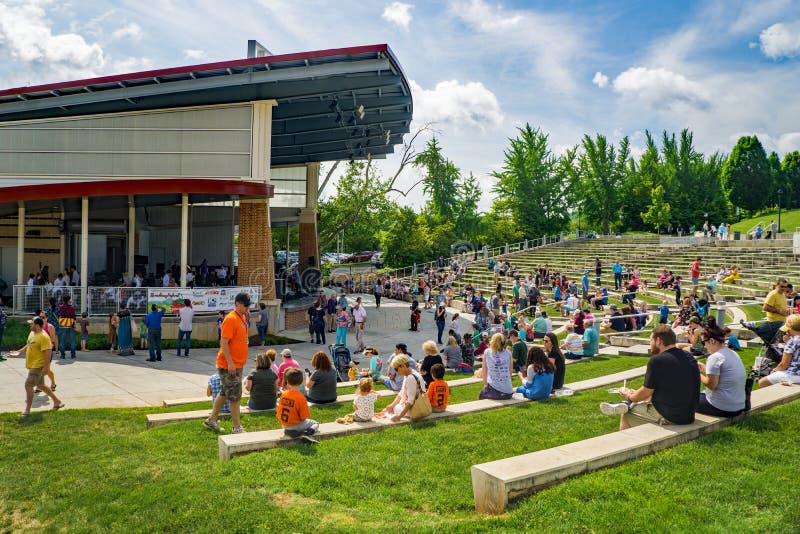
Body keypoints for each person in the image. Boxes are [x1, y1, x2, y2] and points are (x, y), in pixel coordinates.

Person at [600, 325, 700, 429]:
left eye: (651, 340)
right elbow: (674, 387)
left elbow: (645, 392)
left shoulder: (657, 361)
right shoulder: (688, 356)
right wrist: (638, 394)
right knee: (640, 401)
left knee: (627, 414)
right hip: (688, 414)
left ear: (658, 341)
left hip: (673, 416)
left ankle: (630, 444)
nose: (650, 343)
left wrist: (630, 397)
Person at [204, 292, 252, 435]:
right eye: (245, 306)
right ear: (237, 304)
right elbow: (223, 342)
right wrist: (230, 363)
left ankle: (211, 420)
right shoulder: (230, 319)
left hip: (237, 364)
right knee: (235, 396)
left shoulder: (242, 316)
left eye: (248, 306)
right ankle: (237, 427)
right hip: (229, 365)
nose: (247, 308)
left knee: (225, 392)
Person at [8, 317, 64, 416]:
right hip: (32, 364)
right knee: (40, 385)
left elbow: (48, 352)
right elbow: (28, 345)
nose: (30, 325)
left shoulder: (44, 337)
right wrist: (18, 352)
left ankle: (27, 411)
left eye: (32, 324)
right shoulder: (32, 333)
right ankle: (57, 401)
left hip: (38, 366)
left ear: (37, 326)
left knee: (28, 385)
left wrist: (46, 367)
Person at [696, 318, 746, 417]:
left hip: (723, 408)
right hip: (738, 406)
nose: (704, 346)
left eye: (703, 342)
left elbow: (711, 385)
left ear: (712, 341)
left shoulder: (714, 357)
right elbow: (723, 375)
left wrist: (697, 373)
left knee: (685, 397)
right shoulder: (732, 353)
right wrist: (706, 368)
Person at [379, 354, 428, 422]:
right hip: (419, 404)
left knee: (388, 411)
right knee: (390, 408)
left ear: (403, 366)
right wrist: (391, 405)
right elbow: (402, 392)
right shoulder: (411, 372)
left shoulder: (410, 378)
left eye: (396, 369)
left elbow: (410, 401)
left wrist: (399, 416)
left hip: (415, 408)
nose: (396, 372)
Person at [277, 368, 320, 443]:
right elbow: (304, 417)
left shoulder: (283, 394)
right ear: (301, 382)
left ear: (287, 382)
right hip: (296, 425)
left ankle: (292, 432)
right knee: (315, 423)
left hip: (284, 424)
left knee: (296, 423)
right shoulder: (301, 398)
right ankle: (307, 434)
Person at [759, 314, 800, 387]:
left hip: (795, 375)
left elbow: (784, 365)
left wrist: (774, 370)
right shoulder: (792, 341)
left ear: (790, 328)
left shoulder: (792, 342)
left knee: (762, 382)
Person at [478, 333, 513, 400]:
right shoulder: (508, 353)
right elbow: (510, 372)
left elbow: (484, 371)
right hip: (508, 391)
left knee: (481, 395)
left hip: (494, 391)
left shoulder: (487, 352)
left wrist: (485, 385)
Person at [57, 294, 77, 359]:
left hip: (63, 324)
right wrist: (75, 325)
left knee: (62, 340)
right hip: (71, 324)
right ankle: (73, 354)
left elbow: (59, 315)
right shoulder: (71, 307)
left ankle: (62, 355)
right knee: (72, 340)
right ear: (69, 300)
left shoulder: (60, 307)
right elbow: (74, 317)